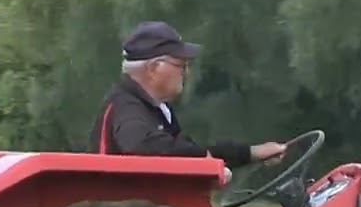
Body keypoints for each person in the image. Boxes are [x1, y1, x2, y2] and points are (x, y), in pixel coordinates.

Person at [86, 21, 287, 169]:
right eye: (180, 65)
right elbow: (142, 145)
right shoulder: (126, 107)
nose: (186, 72)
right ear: (154, 68)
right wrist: (203, 160)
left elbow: (185, 149)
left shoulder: (154, 108)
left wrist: (252, 153)